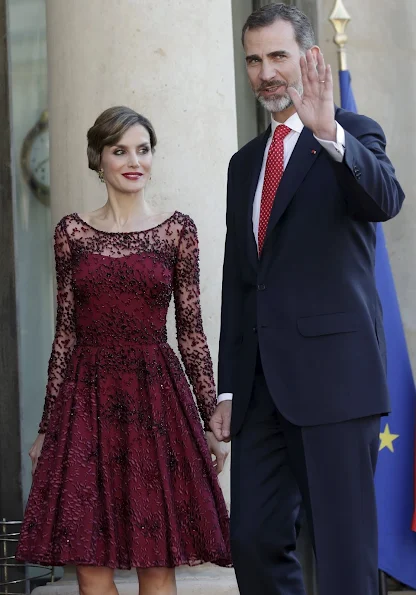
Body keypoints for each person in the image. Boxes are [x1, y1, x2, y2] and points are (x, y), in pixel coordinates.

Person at [209, 4, 405, 595]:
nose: (265, 72)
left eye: (277, 56)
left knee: (343, 553)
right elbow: (241, 279)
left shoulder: (353, 132)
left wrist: (329, 133)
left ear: (308, 57)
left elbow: (384, 199)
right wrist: (227, 386)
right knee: (252, 539)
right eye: (253, 60)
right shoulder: (244, 164)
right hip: (260, 389)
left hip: (335, 382)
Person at [16, 106, 231, 595]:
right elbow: (65, 332)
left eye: (143, 149)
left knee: (157, 565)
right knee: (90, 569)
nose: (134, 161)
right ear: (99, 159)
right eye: (120, 151)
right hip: (85, 402)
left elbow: (192, 332)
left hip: (155, 403)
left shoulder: (178, 231)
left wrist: (208, 422)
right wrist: (48, 426)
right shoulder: (71, 232)